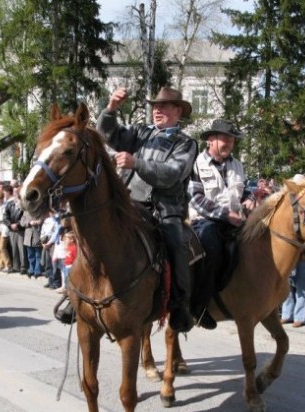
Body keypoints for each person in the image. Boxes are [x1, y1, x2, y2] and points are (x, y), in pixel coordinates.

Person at [97, 86, 198, 332]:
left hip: (165, 209)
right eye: (155, 106)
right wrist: (111, 108)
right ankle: (76, 292)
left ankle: (179, 305)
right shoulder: (140, 132)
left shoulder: (186, 143)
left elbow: (173, 174)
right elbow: (107, 133)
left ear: (178, 111)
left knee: (177, 244)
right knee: (95, 229)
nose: (157, 110)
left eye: (164, 106)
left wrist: (136, 163)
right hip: (130, 202)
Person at [188, 118, 250, 329]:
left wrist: (249, 197)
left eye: (232, 140)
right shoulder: (196, 163)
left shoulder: (237, 164)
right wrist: (226, 215)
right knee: (212, 249)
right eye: (225, 139)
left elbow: (243, 190)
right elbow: (195, 198)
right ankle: (199, 306)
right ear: (211, 140)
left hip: (234, 220)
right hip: (204, 221)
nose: (229, 144)